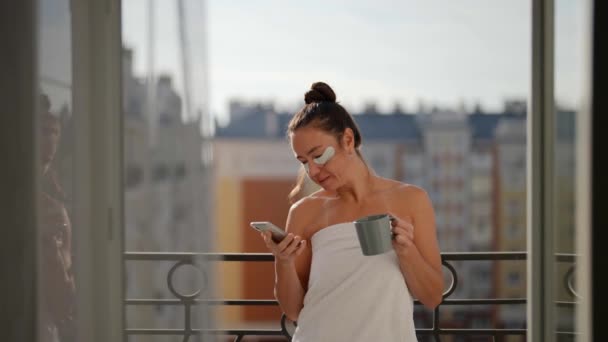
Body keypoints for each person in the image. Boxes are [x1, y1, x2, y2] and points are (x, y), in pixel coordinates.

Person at [259, 82, 443, 341]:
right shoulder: (304, 212)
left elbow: (433, 297)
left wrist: (406, 251)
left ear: (347, 140)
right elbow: (293, 311)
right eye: (304, 162)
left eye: (319, 156)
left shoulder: (411, 200)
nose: (312, 171)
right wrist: (284, 261)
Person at [38, 94, 75, 342]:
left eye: (55, 132)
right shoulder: (47, 208)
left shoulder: (53, 195)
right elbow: (55, 272)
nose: (51, 138)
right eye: (44, 131)